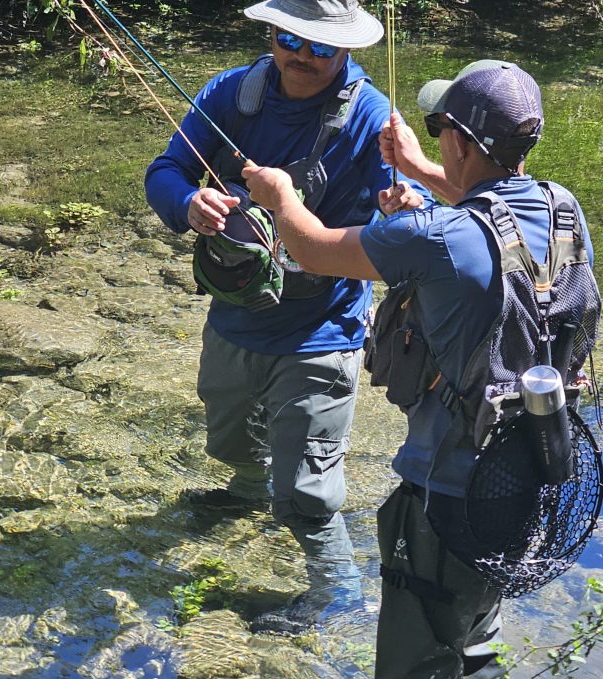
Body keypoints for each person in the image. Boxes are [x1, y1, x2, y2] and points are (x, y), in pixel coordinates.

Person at [243, 58, 596, 679]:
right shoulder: (564, 211)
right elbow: (484, 214)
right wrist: (423, 170)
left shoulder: (439, 237)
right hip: (525, 478)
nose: (438, 142)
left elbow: (311, 249)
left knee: (415, 676)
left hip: (444, 497)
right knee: (476, 637)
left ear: (464, 141)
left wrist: (278, 195)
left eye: (443, 131)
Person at [145, 0, 428, 634]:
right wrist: (187, 202)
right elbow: (165, 170)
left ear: (347, 51)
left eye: (320, 48)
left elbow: (420, 214)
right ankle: (246, 496)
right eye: (288, 40)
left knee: (306, 489)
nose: (301, 56)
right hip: (235, 315)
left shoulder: (373, 118)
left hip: (319, 329)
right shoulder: (232, 93)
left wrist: (405, 203)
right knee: (229, 439)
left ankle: (338, 593)